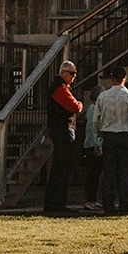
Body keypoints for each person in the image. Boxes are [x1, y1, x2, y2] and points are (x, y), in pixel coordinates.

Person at [94, 65, 128, 214]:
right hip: (125, 135)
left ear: (111, 79)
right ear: (125, 78)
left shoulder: (103, 96)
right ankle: (124, 204)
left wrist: (99, 132)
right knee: (125, 172)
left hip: (108, 135)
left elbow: (96, 119)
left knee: (109, 172)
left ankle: (108, 205)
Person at [43, 61, 84, 215]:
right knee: (62, 169)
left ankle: (54, 204)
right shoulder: (60, 88)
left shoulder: (60, 87)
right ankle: (57, 204)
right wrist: (80, 104)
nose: (74, 77)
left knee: (59, 168)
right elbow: (74, 107)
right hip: (62, 130)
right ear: (63, 73)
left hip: (59, 130)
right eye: (72, 73)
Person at [80, 84, 105, 212]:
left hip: (93, 144)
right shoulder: (93, 109)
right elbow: (92, 128)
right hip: (93, 145)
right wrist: (97, 144)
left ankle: (94, 200)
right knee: (92, 174)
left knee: (95, 174)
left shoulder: (94, 108)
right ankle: (90, 200)